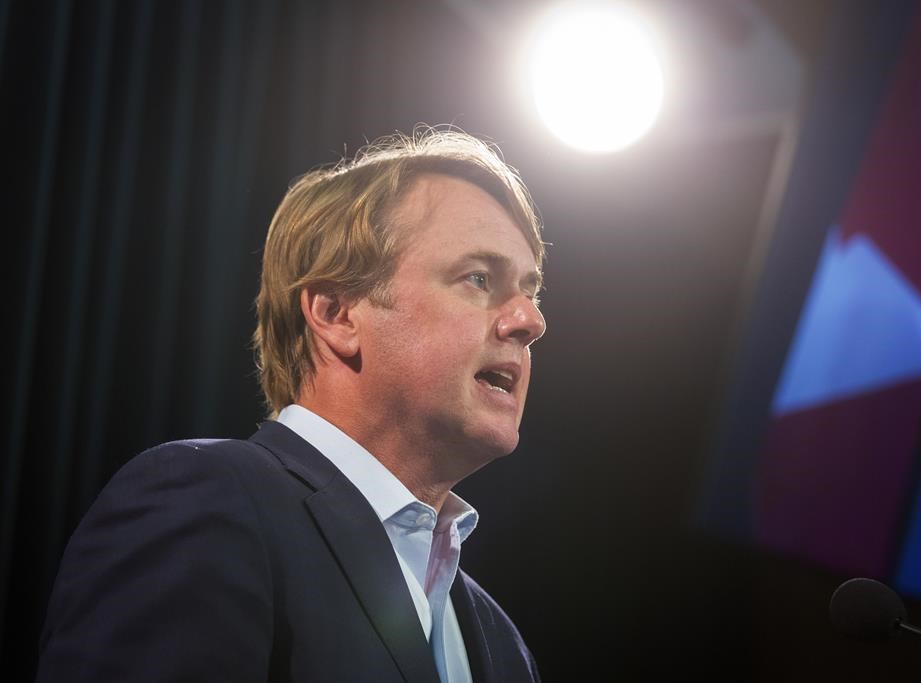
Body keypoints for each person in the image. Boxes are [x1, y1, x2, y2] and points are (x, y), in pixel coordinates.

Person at [37, 129, 547, 682]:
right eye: (478, 278)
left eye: (530, 292)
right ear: (337, 314)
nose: (530, 322)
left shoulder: (502, 643)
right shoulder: (205, 502)